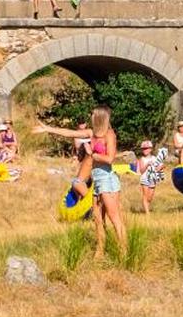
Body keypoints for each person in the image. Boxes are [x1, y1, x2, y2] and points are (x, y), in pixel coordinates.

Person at [35, 106, 127, 256]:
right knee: (97, 219)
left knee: (114, 216)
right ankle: (99, 251)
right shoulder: (91, 133)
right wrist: (48, 129)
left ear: (99, 117)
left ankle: (124, 252)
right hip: (97, 181)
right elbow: (71, 133)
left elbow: (110, 158)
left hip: (107, 181)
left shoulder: (109, 134)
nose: (90, 117)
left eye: (93, 115)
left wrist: (93, 155)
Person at [137, 140, 166, 214]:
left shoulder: (154, 158)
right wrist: (147, 165)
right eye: (143, 149)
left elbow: (159, 167)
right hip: (145, 178)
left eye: (146, 148)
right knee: (145, 195)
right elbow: (141, 171)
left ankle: (146, 208)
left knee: (150, 197)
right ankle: (147, 213)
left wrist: (161, 167)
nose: (145, 150)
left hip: (153, 179)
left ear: (150, 149)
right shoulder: (142, 159)